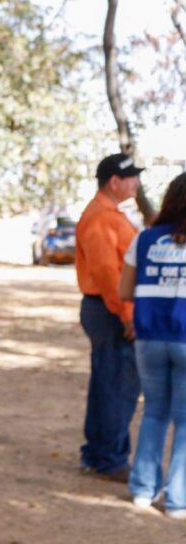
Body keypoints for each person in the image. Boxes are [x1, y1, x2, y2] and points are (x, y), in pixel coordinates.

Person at [119, 173, 186, 518]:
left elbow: (124, 291)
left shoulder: (144, 239)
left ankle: (143, 491)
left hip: (148, 338)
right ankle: (177, 500)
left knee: (155, 413)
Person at [74, 152, 143, 482]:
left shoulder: (108, 213)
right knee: (118, 384)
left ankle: (99, 453)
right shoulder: (102, 217)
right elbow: (107, 272)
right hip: (110, 309)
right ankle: (111, 459)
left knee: (106, 382)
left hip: (105, 307)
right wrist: (127, 313)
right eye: (132, 177)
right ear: (115, 181)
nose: (137, 183)